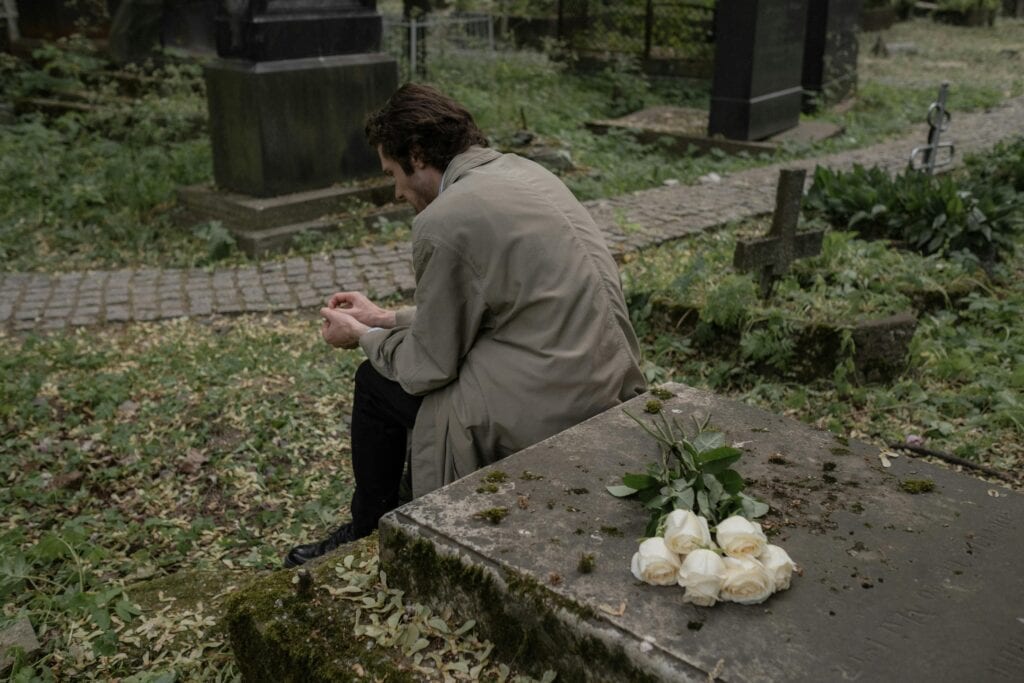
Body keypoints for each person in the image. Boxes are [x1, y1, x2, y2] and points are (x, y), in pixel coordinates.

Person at [283, 84, 645, 568]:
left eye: (392, 173)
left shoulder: (444, 218)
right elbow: (499, 305)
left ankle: (368, 528)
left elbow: (427, 366)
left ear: (416, 155)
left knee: (374, 381)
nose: (396, 191)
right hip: (603, 377)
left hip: (551, 404)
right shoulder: (522, 171)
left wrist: (362, 338)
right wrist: (385, 318)